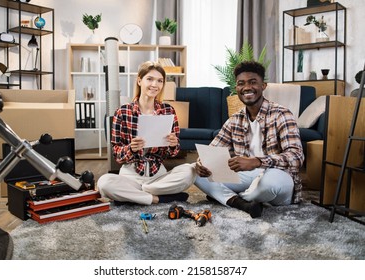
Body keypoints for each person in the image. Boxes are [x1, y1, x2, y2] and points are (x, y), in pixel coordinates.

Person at [194, 61, 304, 218]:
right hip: (248, 177)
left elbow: (296, 157)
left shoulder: (281, 114)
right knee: (195, 173)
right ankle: (244, 204)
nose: (247, 87)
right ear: (236, 88)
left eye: (253, 82)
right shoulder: (235, 119)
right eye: (241, 83)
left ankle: (232, 197)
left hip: (277, 175)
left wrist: (257, 161)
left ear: (263, 86)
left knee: (269, 184)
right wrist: (201, 164)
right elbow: (212, 150)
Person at [97, 61, 195, 205]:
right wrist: (131, 148)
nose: (155, 84)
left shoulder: (168, 111)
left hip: (158, 176)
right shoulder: (122, 112)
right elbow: (117, 154)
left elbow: (172, 153)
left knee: (190, 170)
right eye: (150, 79)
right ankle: (157, 198)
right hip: (130, 175)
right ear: (139, 80)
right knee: (103, 183)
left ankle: (139, 193)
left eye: (160, 81)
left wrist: (174, 144)